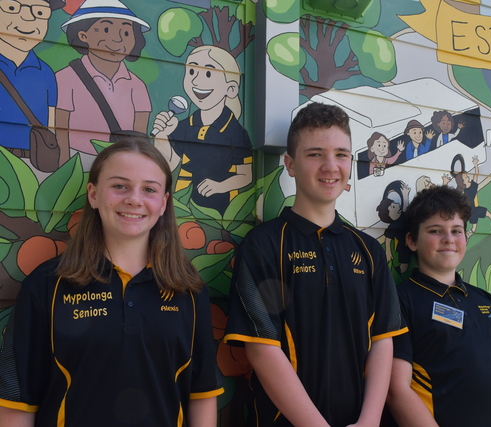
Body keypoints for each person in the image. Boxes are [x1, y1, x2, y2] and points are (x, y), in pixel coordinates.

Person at [0, 133, 223, 427]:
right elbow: (17, 401)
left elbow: (202, 394)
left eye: (149, 189)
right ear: (93, 195)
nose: (134, 199)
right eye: (120, 186)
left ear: (164, 203)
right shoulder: (46, 285)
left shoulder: (188, 290)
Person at [223, 102, 407, 426]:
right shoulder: (263, 246)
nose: (330, 166)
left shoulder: (369, 251)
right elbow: (262, 350)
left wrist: (368, 421)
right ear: (290, 164)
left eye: (341, 154)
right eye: (315, 154)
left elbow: (382, 339)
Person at [386, 185, 491, 427]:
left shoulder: (483, 299)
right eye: (435, 231)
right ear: (412, 241)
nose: (448, 239)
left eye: (456, 231)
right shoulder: (401, 302)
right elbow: (397, 389)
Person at [153, 45, 252, 214]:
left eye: (208, 73)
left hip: (220, 210)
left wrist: (220, 186)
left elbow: (246, 175)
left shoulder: (236, 133)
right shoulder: (185, 126)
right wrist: (162, 136)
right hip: (182, 207)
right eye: (192, 71)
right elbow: (168, 165)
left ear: (231, 89)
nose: (196, 81)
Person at [55, 0, 152, 167]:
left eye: (126, 32)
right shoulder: (66, 78)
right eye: (106, 29)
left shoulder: (138, 86)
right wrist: (63, 167)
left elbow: (140, 137)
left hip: (120, 164)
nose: (118, 39)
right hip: (77, 159)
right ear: (83, 35)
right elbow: (60, 129)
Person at [0, 0, 64, 169]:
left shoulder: (46, 72)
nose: (28, 18)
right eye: (12, 8)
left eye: (40, 12)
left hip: (32, 161)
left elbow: (51, 122)